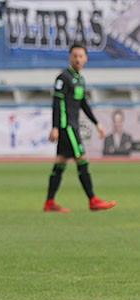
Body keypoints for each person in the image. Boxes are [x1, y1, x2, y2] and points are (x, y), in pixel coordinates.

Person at [44, 43, 116, 212]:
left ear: (86, 58)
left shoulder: (80, 80)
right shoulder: (63, 78)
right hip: (67, 126)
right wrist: (55, 127)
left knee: (60, 163)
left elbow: (83, 104)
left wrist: (96, 123)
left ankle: (49, 202)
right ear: (70, 57)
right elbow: (56, 103)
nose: (78, 59)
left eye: (81, 56)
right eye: (75, 56)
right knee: (82, 159)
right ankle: (93, 200)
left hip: (72, 125)